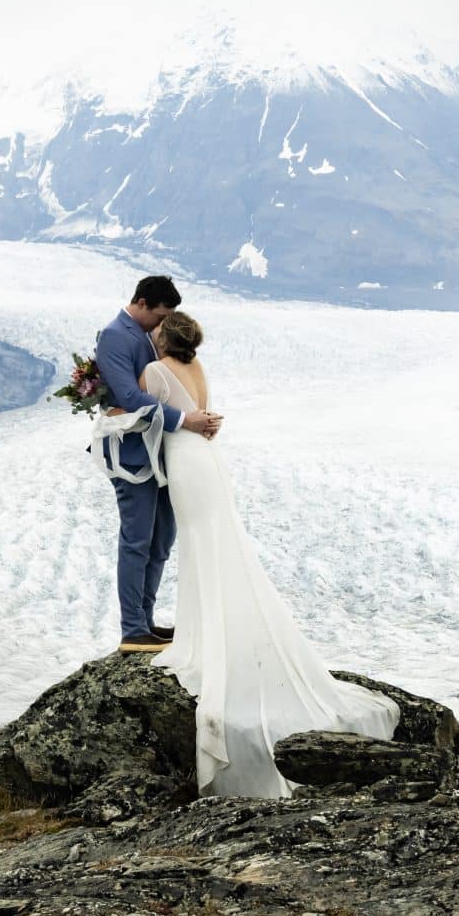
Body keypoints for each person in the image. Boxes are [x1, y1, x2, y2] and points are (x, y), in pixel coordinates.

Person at [136, 308, 400, 798]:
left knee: (199, 546)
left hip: (187, 462)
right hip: (206, 459)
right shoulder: (197, 367)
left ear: (166, 336)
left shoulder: (155, 370)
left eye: (157, 331)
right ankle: (209, 630)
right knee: (214, 544)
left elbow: (140, 412)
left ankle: (201, 638)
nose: (151, 335)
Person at [93, 275, 221, 654]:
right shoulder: (115, 336)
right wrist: (185, 420)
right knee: (137, 541)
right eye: (161, 315)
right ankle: (133, 628)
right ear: (142, 304)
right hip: (133, 456)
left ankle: (145, 620)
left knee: (162, 538)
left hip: (162, 455)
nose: (164, 324)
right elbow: (130, 396)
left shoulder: (146, 334)